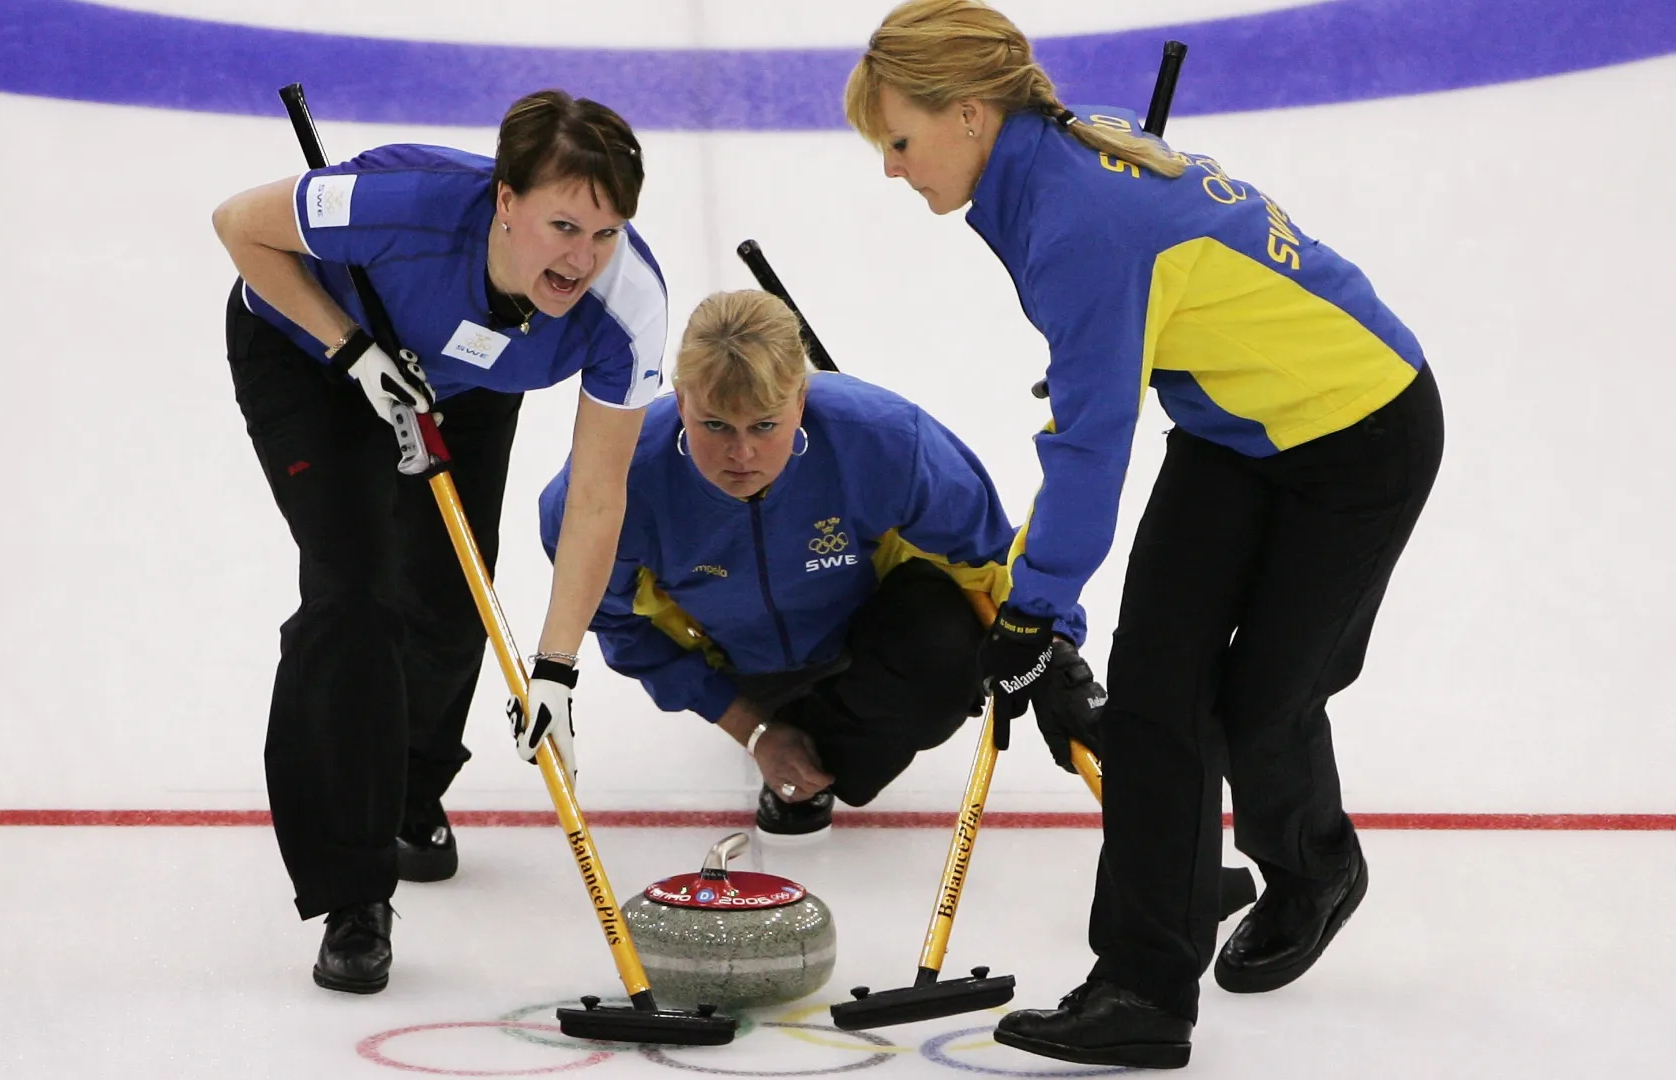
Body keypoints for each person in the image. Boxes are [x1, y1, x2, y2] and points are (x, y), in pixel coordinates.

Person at [845, 0, 1445, 1068]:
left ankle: (1312, 868)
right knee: (1160, 686)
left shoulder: (1075, 219)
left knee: (1262, 702)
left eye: (897, 140)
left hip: (1359, 430)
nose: (890, 169)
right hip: (1234, 425)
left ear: (972, 114)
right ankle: (1142, 987)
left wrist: (1036, 607)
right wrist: (1115, 348)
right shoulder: (1048, 163)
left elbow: (1091, 446)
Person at [211, 90, 666, 994]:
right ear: (506, 200)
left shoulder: (625, 304)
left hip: (468, 376)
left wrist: (558, 668)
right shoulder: (401, 207)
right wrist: (349, 348)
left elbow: (598, 497)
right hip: (311, 352)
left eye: (606, 233)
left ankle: (408, 797)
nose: (583, 260)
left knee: (455, 602)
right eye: (563, 225)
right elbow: (238, 227)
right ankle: (352, 892)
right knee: (355, 599)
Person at [538, 290, 1104, 835]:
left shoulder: (883, 439)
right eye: (715, 425)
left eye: (765, 426)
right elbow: (615, 621)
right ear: (680, 399)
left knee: (945, 663)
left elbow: (988, 557)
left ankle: (825, 744)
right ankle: (787, 727)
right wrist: (753, 729)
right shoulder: (610, 487)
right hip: (743, 666)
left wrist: (1054, 655)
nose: (742, 455)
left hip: (874, 631)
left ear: (801, 400)